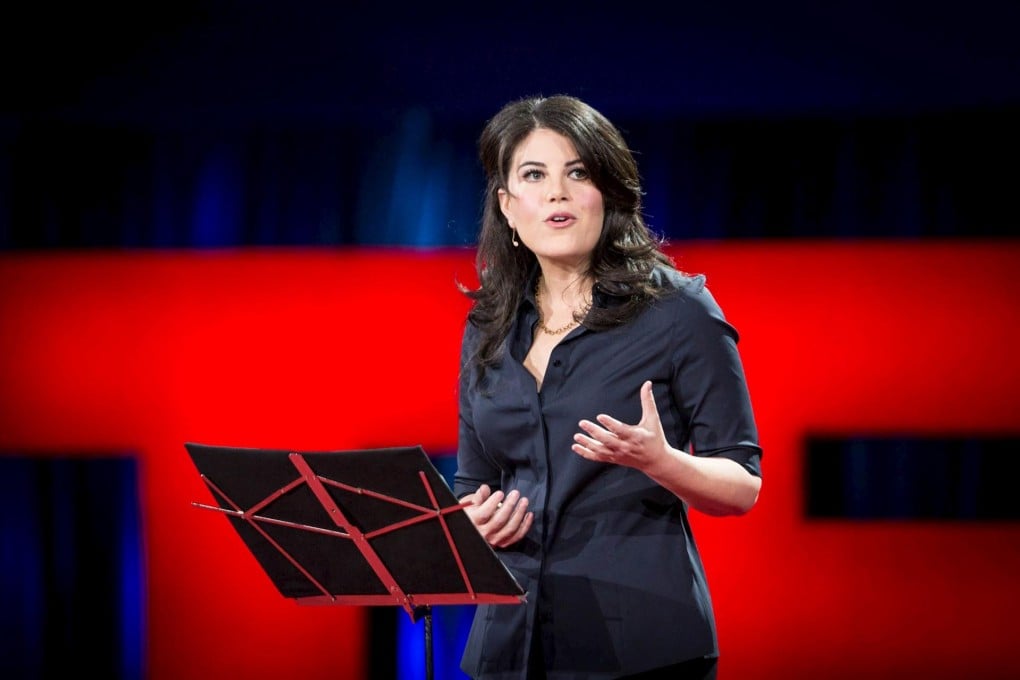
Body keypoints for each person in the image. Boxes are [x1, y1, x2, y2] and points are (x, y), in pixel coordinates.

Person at [453, 94, 762, 680]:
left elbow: (742, 485)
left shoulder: (678, 311)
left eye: (578, 172)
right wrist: (472, 521)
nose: (557, 193)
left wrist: (661, 461)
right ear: (507, 206)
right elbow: (473, 483)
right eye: (534, 175)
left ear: (609, 194)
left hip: (639, 645)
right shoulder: (487, 327)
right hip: (509, 643)